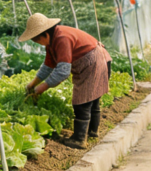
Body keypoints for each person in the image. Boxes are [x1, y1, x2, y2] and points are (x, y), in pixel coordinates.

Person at [20, 13, 111, 149]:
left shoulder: (61, 38)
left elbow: (63, 71)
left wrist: (43, 87)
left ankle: (79, 139)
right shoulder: (52, 42)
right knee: (92, 100)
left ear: (45, 34)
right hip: (96, 61)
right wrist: (33, 84)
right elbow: (48, 66)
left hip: (94, 63)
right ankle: (92, 132)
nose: (38, 43)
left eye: (37, 40)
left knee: (83, 102)